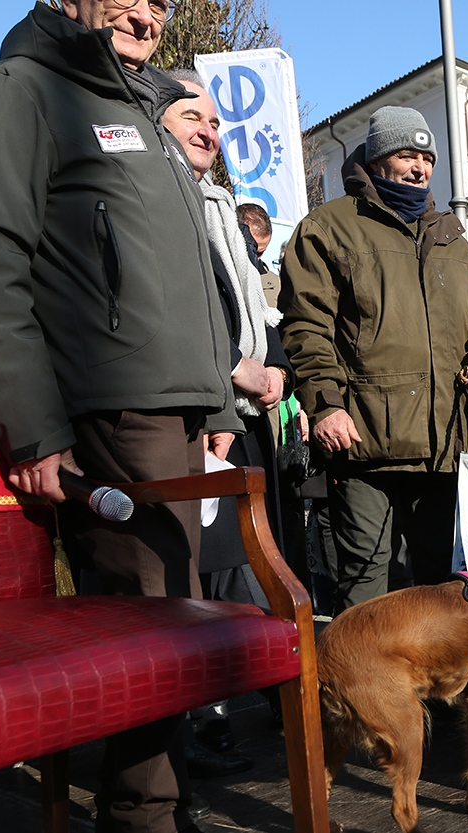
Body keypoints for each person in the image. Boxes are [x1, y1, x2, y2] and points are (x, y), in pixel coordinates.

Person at [0, 1, 239, 830]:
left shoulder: (144, 108)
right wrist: (33, 424)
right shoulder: (19, 90)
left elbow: (187, 285)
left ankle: (160, 808)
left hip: (179, 412)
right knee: (151, 630)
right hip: (109, 411)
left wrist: (217, 401)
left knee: (178, 622)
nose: (146, 11)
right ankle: (144, 818)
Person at [281, 106, 468, 612]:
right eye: (406, 155)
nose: (420, 167)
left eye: (427, 157)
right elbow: (306, 325)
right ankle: (357, 691)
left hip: (445, 438)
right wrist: (325, 405)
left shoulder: (453, 236)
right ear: (377, 160)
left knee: (443, 584)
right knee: (364, 588)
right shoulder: (329, 227)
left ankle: (434, 690)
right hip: (363, 440)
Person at [162, 69, 295, 777]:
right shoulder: (164, 199)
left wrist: (272, 368)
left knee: (242, 566)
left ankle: (232, 703)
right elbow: (184, 311)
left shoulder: (221, 205)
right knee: (198, 576)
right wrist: (226, 383)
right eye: (192, 115)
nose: (210, 130)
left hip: (245, 417)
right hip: (198, 413)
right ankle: (198, 721)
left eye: (215, 120)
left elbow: (251, 310)